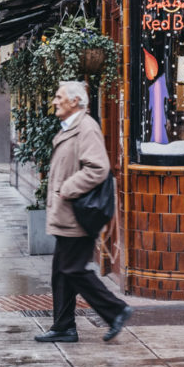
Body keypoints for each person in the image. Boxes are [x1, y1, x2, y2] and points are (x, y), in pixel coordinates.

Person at [34, 81, 132, 343]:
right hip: (67, 214)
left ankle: (115, 310)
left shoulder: (86, 129)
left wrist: (67, 187)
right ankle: (63, 326)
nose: (54, 101)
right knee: (61, 272)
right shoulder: (71, 128)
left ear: (75, 101)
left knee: (73, 269)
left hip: (78, 214)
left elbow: (98, 168)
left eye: (58, 97)